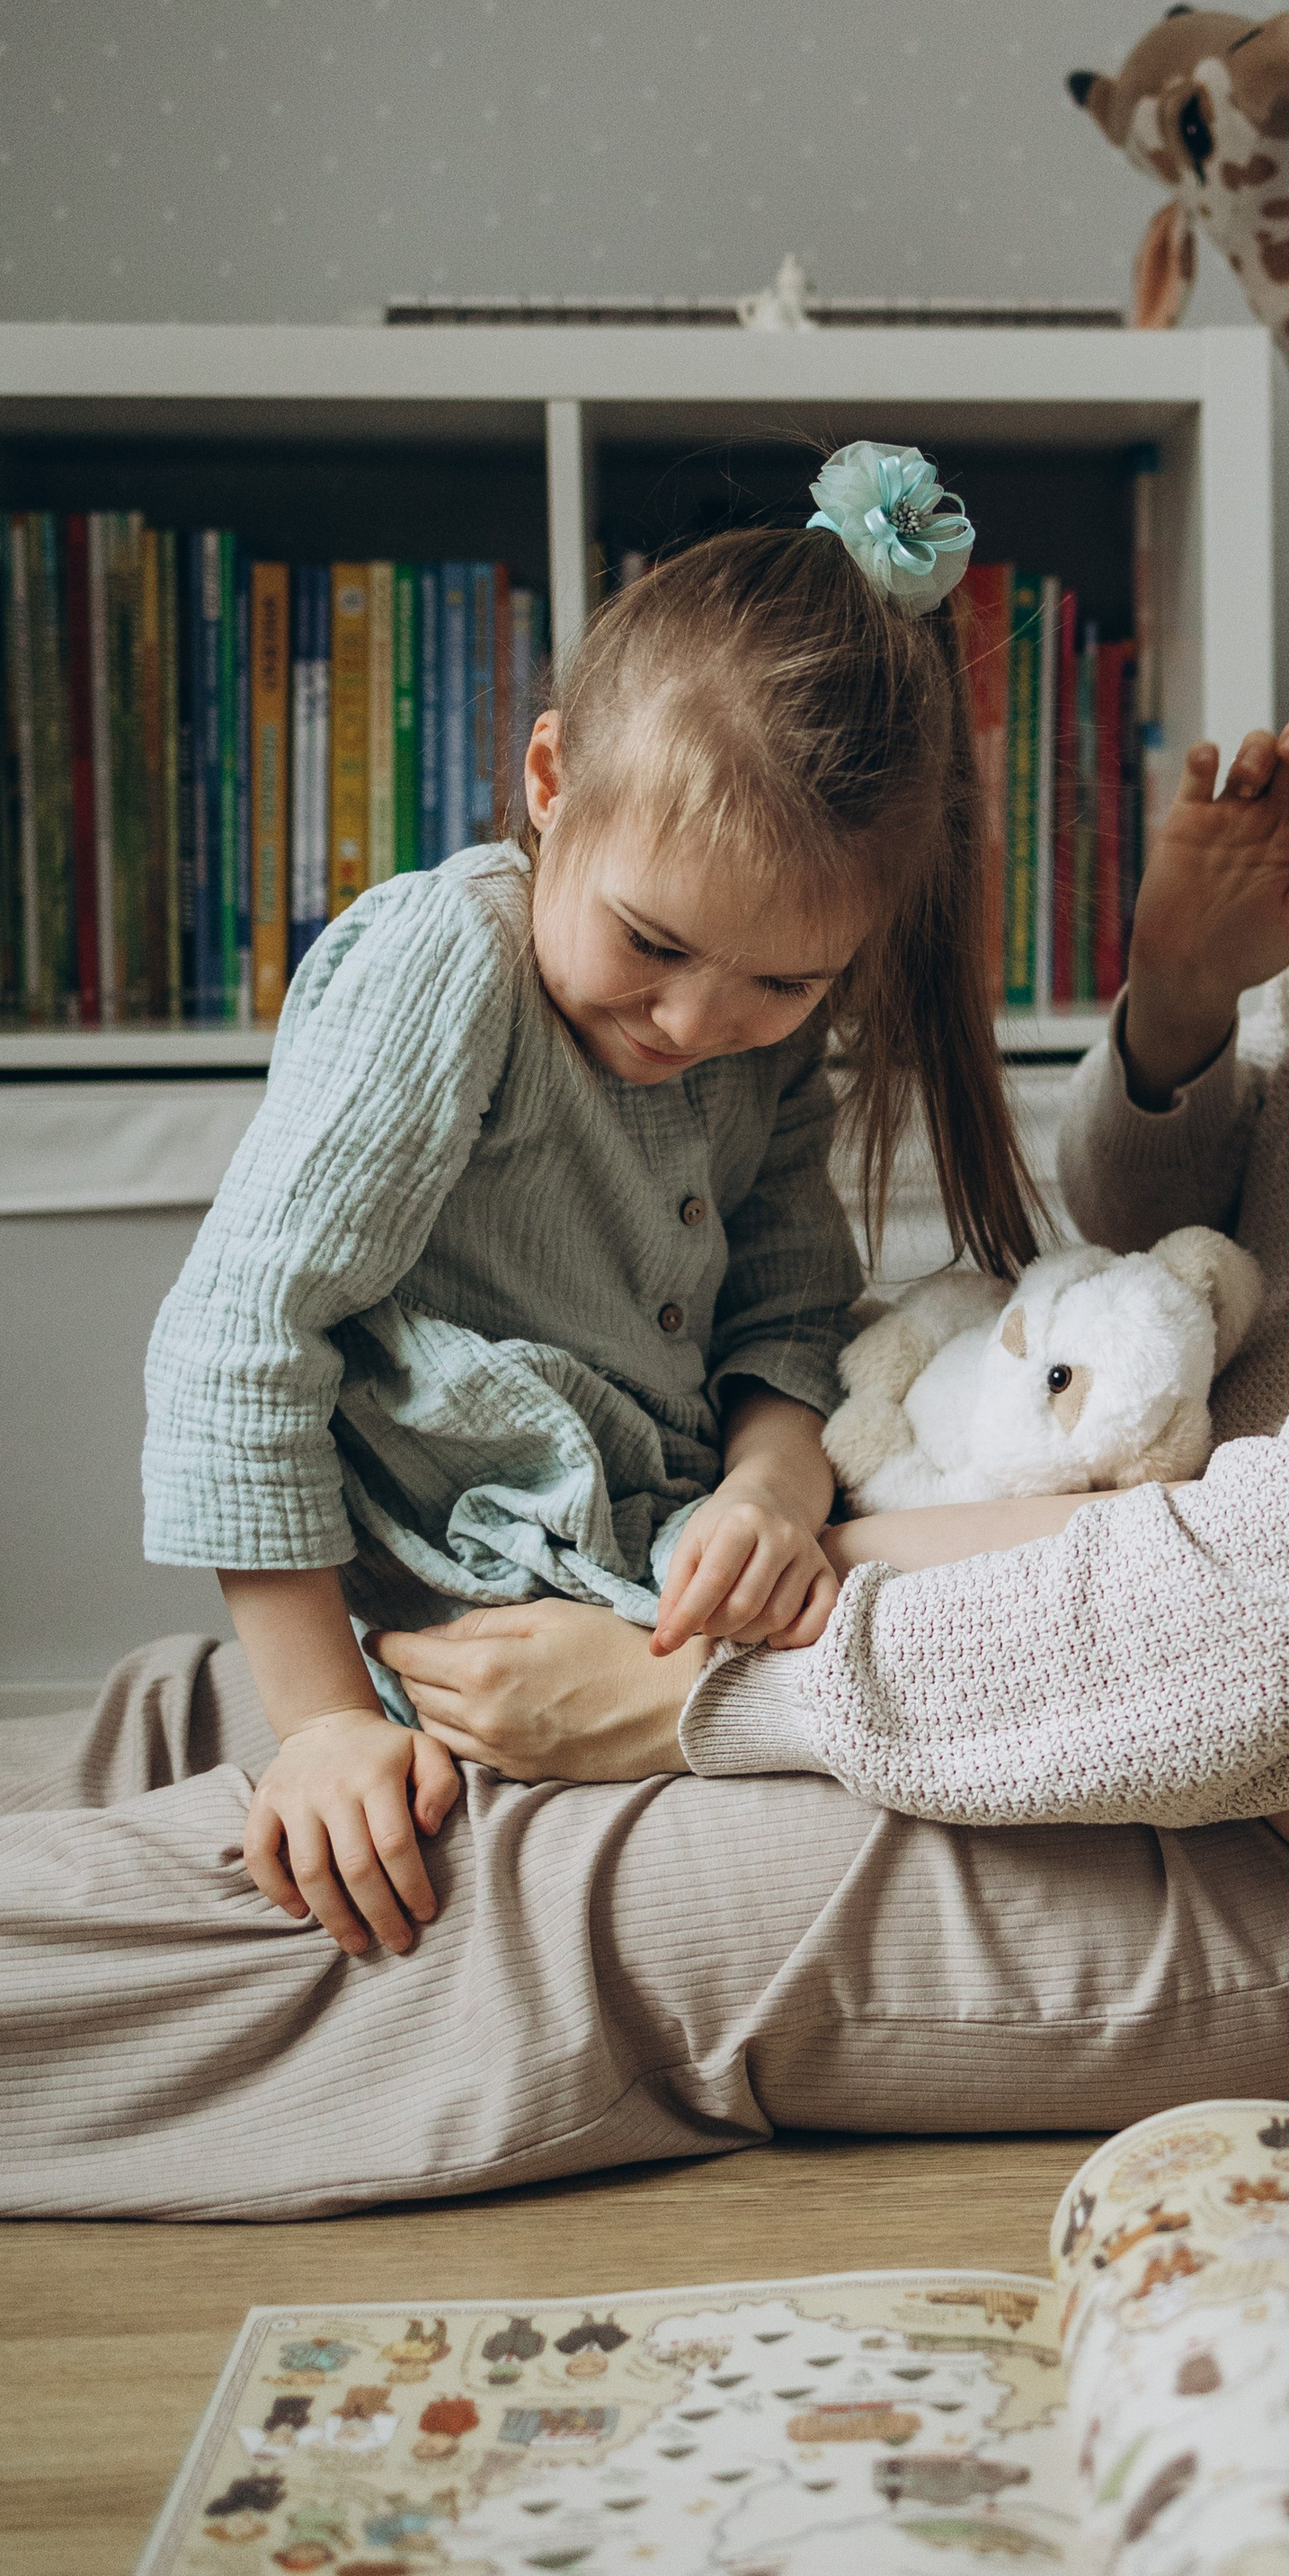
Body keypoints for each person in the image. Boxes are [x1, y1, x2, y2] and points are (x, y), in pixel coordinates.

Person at [0, 166, 1289, 2221]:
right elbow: (1153, 1284)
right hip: (1144, 1618)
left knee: (474, 1891)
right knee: (267, 1701)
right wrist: (1183, 1010)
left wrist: (711, 1696)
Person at [137, 443, 1034, 1960]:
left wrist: (769, 1488)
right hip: (462, 1607)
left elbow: (792, 1308)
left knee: (1071, 1545)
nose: (695, 1023)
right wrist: (324, 1728)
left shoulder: (767, 1040)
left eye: (783, 981)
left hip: (648, 1556)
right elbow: (237, 1346)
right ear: (552, 785)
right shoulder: (455, 967)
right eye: (654, 943)